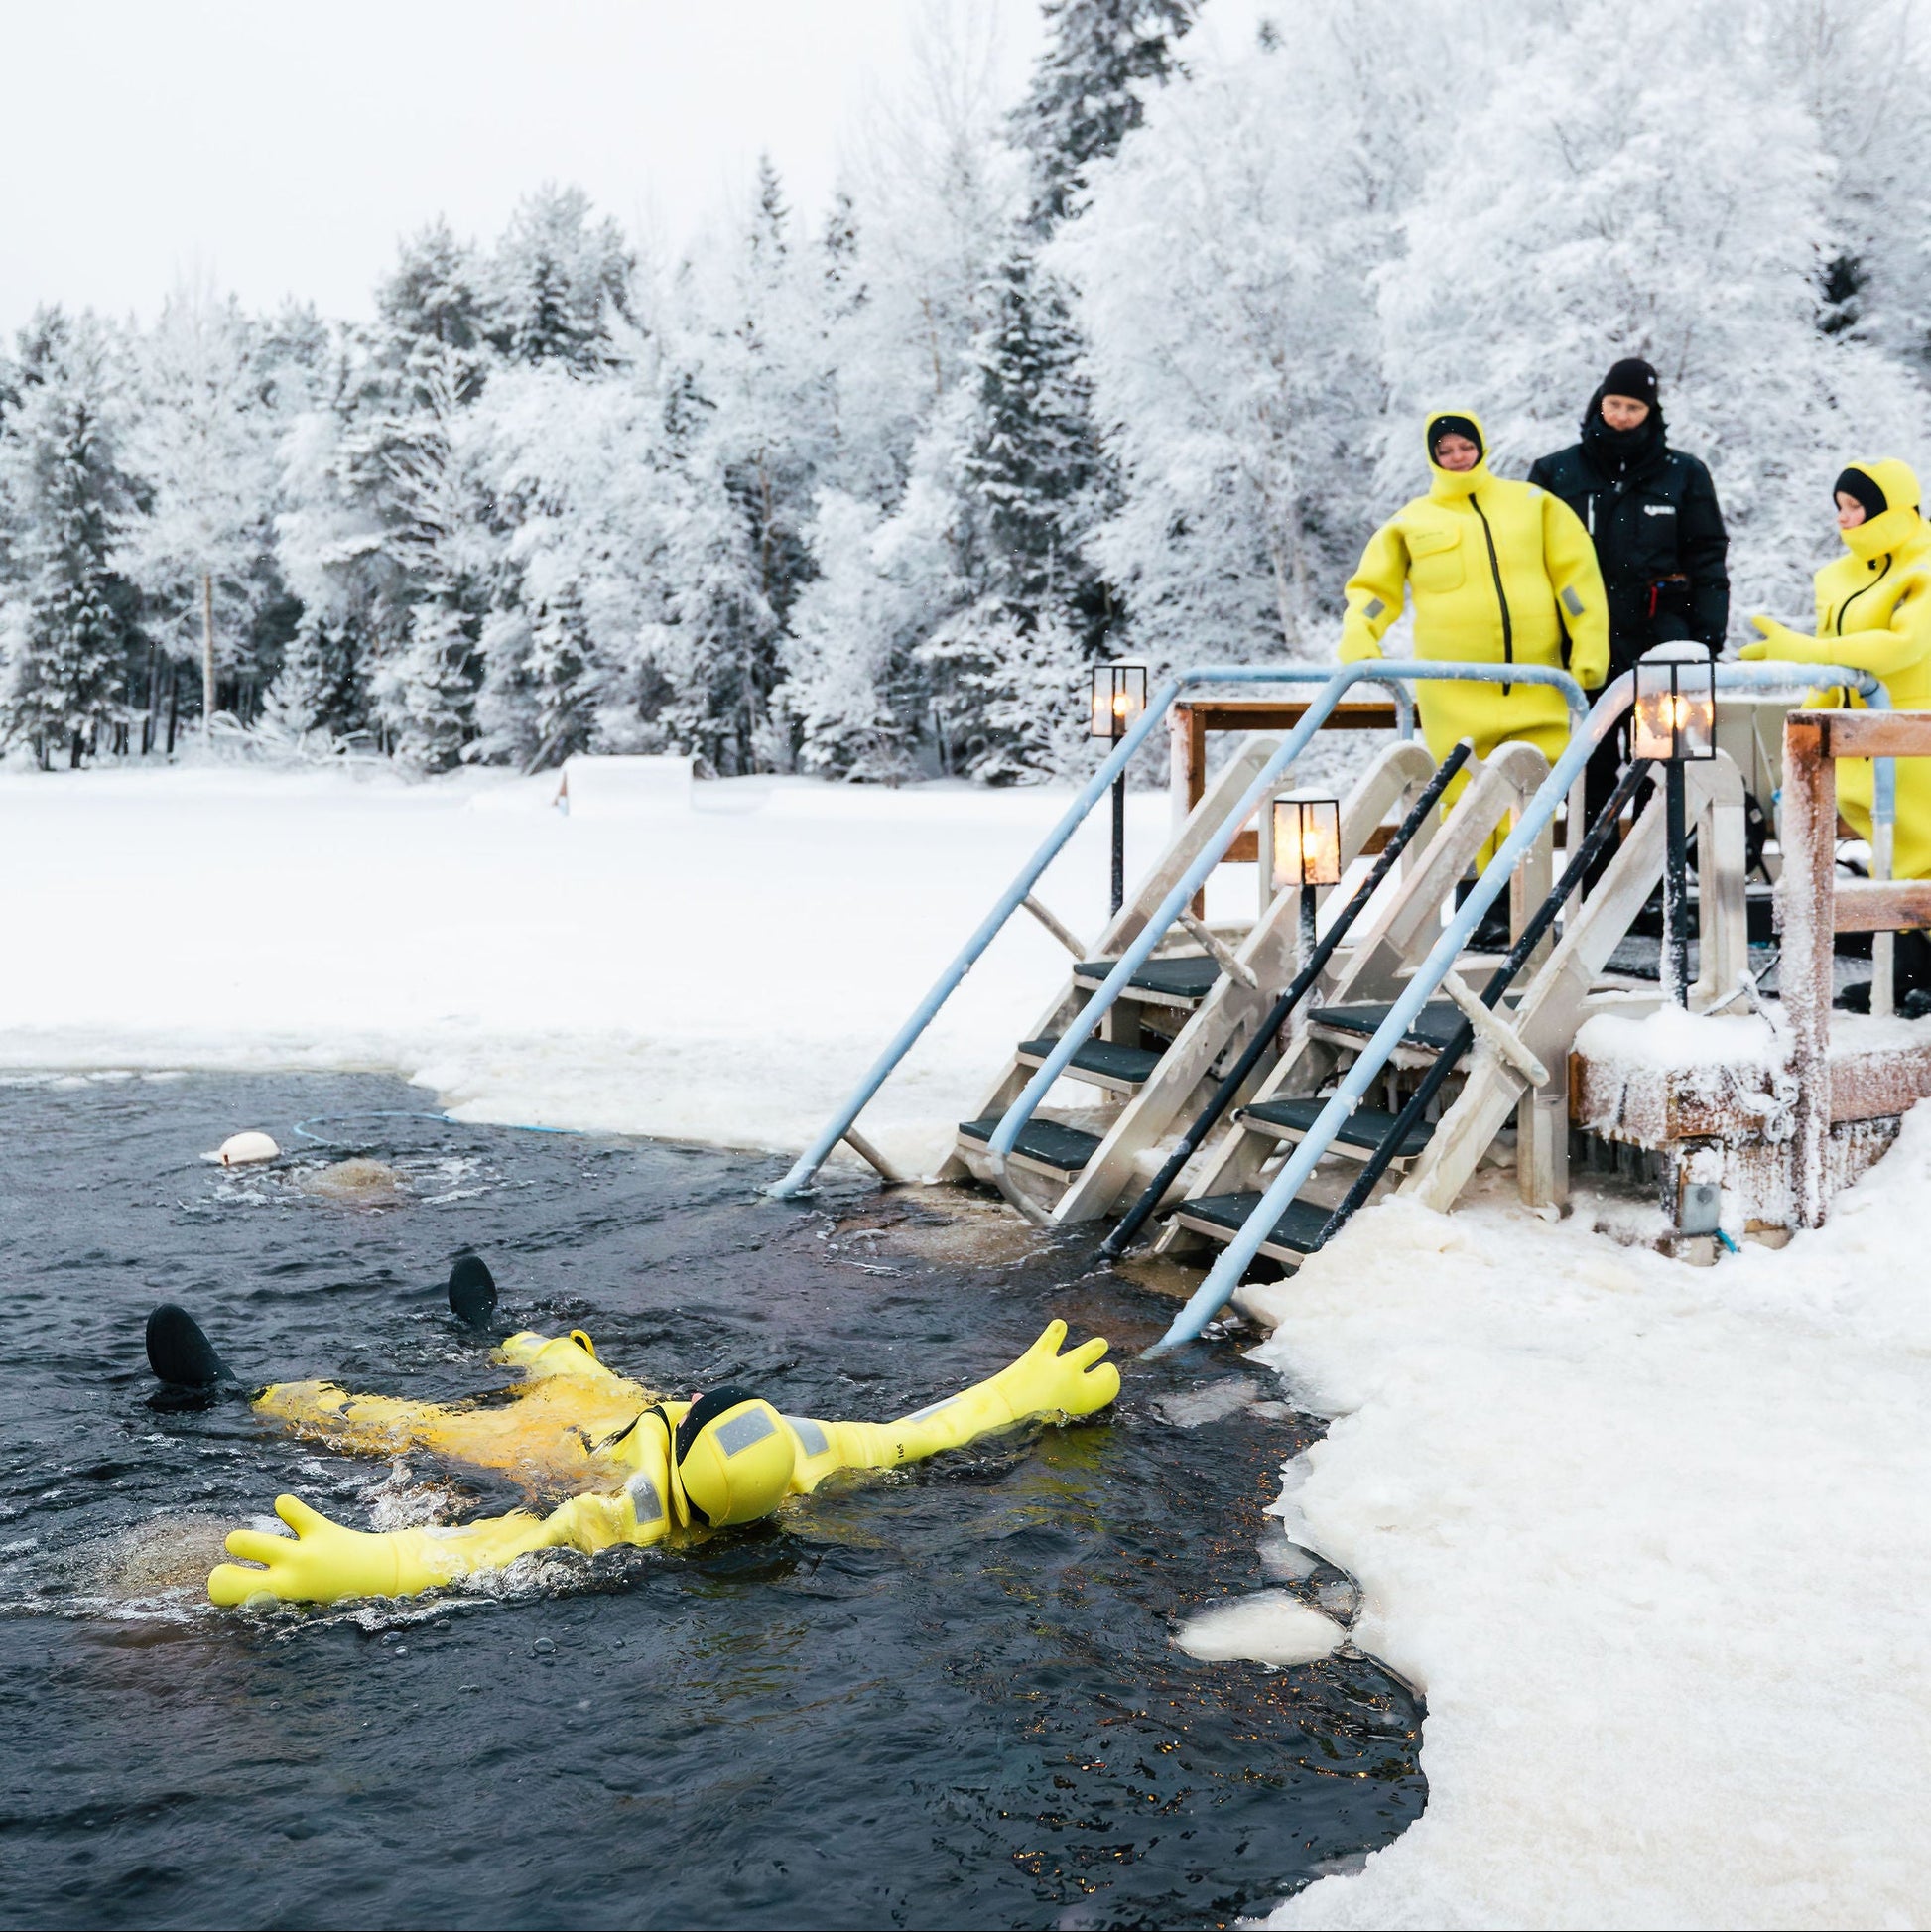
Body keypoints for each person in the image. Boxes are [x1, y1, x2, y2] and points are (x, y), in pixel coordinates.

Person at [143, 1261, 1121, 1608]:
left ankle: (236, 1389)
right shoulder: (805, 1451)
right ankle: (490, 1330)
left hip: (546, 1452)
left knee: (394, 1424)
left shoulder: (636, 1511)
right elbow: (923, 1434)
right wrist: (1021, 1390)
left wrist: (364, 1566)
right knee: (571, 1360)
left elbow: (496, 1546)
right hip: (615, 1410)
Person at [1340, 409, 1609, 931]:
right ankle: (1476, 904)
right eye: (1446, 451)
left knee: (1533, 790)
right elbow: (1375, 593)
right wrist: (1359, 637)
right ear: (1433, 458)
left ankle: (1522, 902)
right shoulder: (1412, 522)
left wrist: (1589, 645)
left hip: (1537, 684)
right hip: (1455, 692)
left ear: (1481, 446)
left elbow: (1576, 580)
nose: (1458, 457)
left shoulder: (1534, 506)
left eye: (1465, 447)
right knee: (1464, 793)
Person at [1527, 357, 1730, 878]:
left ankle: (1652, 882)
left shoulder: (1685, 474)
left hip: (1666, 645)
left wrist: (1705, 640)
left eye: (1632, 407)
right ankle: (1593, 883)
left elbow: (1707, 558)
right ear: (1599, 402)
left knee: (1668, 767)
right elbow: (1530, 562)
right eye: (1613, 404)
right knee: (1590, 769)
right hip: (1585, 648)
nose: (1620, 416)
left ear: (1650, 411)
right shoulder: (1557, 472)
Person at [1742, 458, 1931, 1008]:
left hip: (1915, 739)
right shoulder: (1837, 577)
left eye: (1856, 507)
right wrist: (1802, 729)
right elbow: (1835, 672)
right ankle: (1907, 972)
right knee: (1891, 862)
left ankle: (1913, 973)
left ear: (1890, 508)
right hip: (1861, 744)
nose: (1845, 519)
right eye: (1840, 508)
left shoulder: (1923, 565)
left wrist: (1808, 651)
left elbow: (1904, 647)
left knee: (1923, 857)